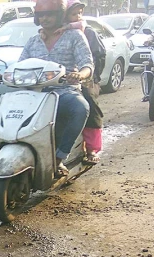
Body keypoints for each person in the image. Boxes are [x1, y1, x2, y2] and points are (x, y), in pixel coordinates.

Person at [0, 0, 93, 177]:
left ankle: (59, 157)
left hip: (64, 91)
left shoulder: (75, 36)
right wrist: (2, 75)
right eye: (41, 15)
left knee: (81, 108)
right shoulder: (33, 41)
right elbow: (20, 65)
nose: (45, 18)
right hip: (33, 94)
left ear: (60, 15)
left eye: (50, 14)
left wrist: (80, 75)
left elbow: (87, 64)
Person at [56, 0, 106, 164]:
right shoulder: (54, 32)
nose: (77, 16)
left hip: (85, 79)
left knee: (89, 104)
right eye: (73, 13)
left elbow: (96, 58)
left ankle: (91, 148)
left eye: (79, 13)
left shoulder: (88, 32)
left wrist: (87, 76)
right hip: (56, 80)